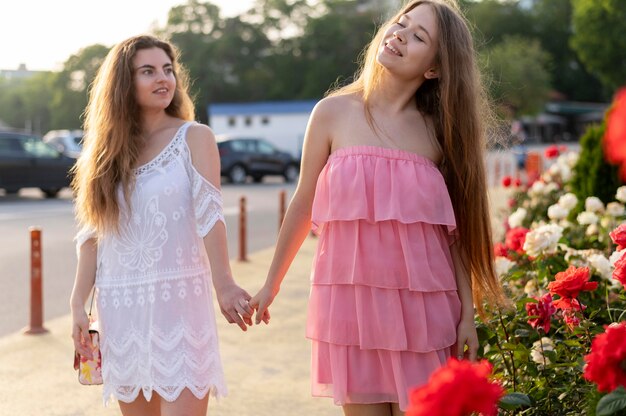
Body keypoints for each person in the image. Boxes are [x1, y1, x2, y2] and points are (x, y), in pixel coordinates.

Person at [249, 1, 505, 415]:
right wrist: (270, 284)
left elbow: (453, 235)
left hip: (425, 318)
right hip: (351, 313)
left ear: (435, 69)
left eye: (419, 35)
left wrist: (466, 316)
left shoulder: (441, 134)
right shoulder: (332, 113)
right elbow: (302, 205)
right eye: (401, 23)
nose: (400, 33)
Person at [69, 35, 256, 416]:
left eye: (168, 70)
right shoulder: (104, 152)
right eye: (148, 71)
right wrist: (76, 304)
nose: (164, 79)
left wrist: (225, 284)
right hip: (121, 306)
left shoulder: (195, 137)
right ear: (123, 82)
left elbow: (209, 213)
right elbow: (93, 235)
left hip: (179, 305)